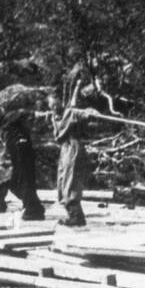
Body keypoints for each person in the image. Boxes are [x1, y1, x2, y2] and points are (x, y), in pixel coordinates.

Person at [0, 100, 46, 220]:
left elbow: (28, 114)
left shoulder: (11, 116)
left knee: (24, 181)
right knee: (16, 183)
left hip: (22, 152)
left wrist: (43, 115)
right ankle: (35, 207)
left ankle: (33, 210)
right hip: (16, 155)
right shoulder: (1, 124)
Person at [52, 94, 92, 227]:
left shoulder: (71, 113)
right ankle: (74, 215)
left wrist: (89, 112)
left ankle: (76, 217)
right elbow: (57, 135)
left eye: (56, 104)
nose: (54, 108)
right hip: (64, 149)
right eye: (51, 106)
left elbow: (85, 114)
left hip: (74, 147)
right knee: (62, 180)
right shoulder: (55, 117)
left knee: (71, 180)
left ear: (61, 102)